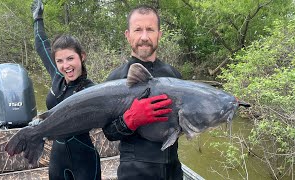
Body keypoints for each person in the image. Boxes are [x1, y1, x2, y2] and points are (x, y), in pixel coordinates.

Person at [102, 5, 183, 180]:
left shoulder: (175, 76)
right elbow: (109, 133)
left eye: (150, 30)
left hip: (173, 171)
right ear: (128, 35)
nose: (144, 37)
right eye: (138, 30)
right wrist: (130, 120)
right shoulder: (115, 79)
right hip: (133, 173)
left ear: (159, 34)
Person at [31, 0, 101, 179]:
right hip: (57, 159)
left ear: (82, 57)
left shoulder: (92, 91)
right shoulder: (57, 77)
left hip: (85, 161)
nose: (65, 66)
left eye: (70, 59)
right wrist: (37, 18)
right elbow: (41, 45)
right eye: (60, 61)